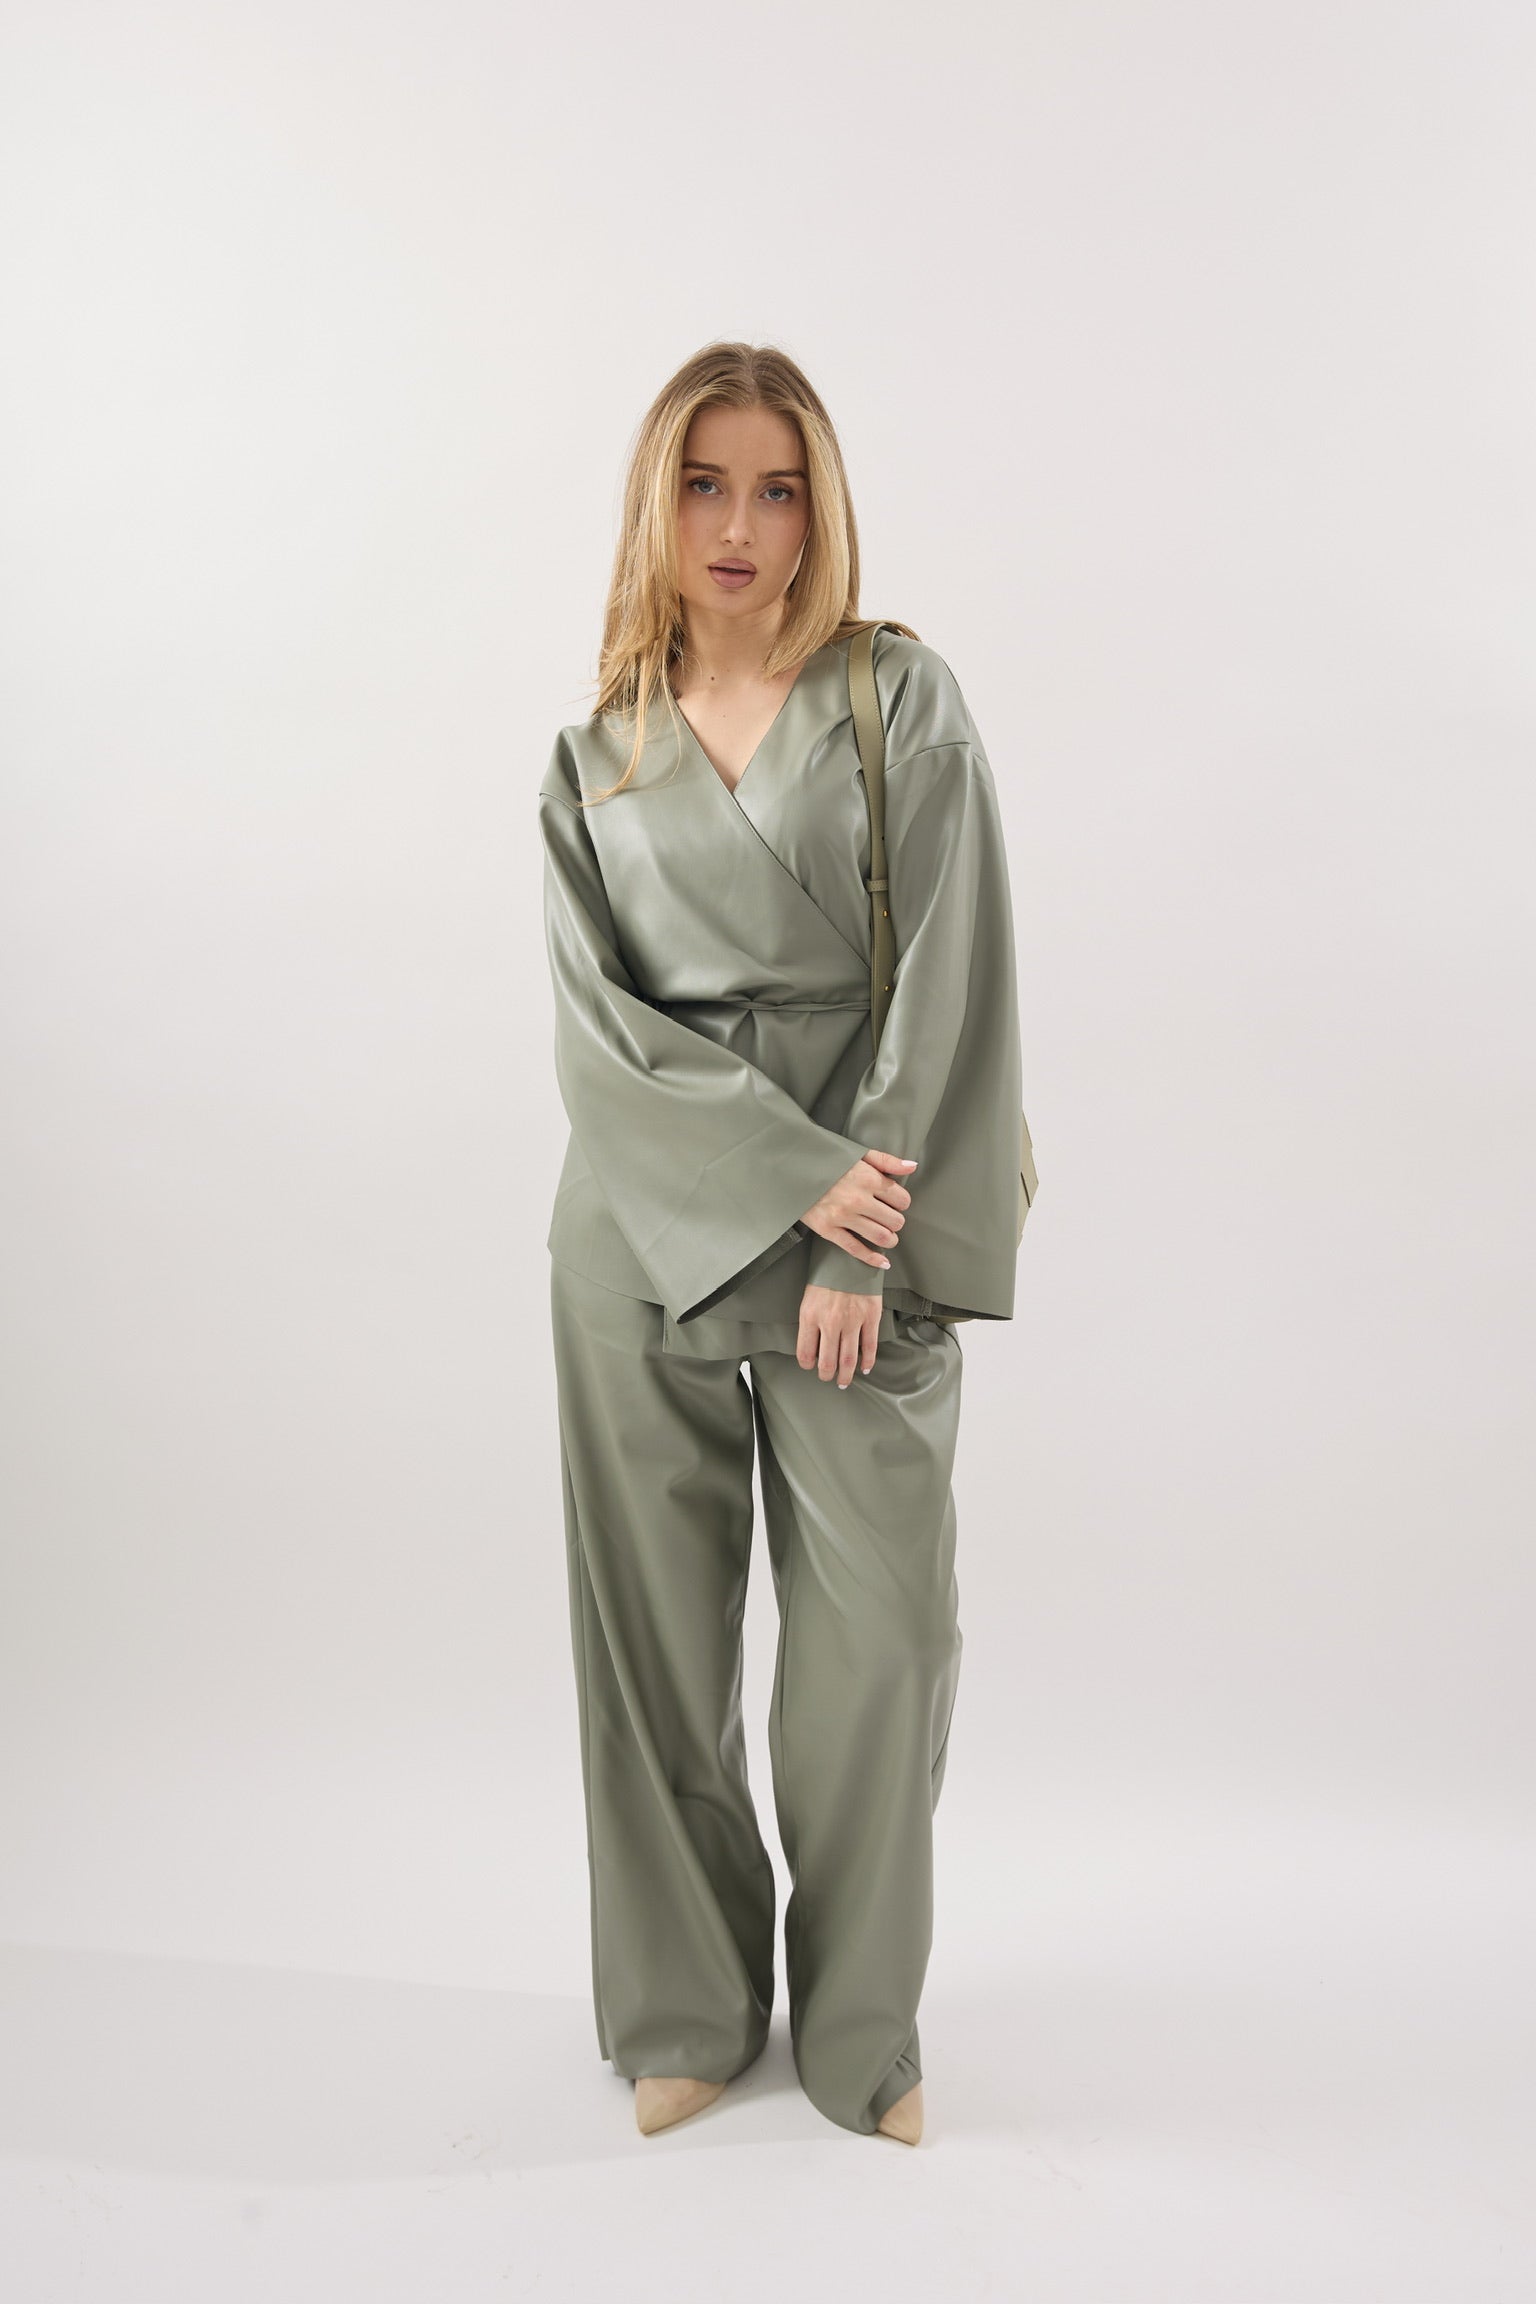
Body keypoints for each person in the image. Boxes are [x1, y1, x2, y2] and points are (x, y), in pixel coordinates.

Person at [538, 339, 1030, 2144]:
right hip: (645, 1236)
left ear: (821, 509)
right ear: (654, 504)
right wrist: (775, 1173)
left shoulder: (898, 701)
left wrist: (855, 1228)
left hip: (858, 1237)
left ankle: (862, 2027)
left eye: (777, 486)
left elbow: (948, 972)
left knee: (879, 1646)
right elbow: (598, 1035)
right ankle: (683, 2001)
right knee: (653, 1652)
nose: (739, 525)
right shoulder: (595, 754)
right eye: (703, 483)